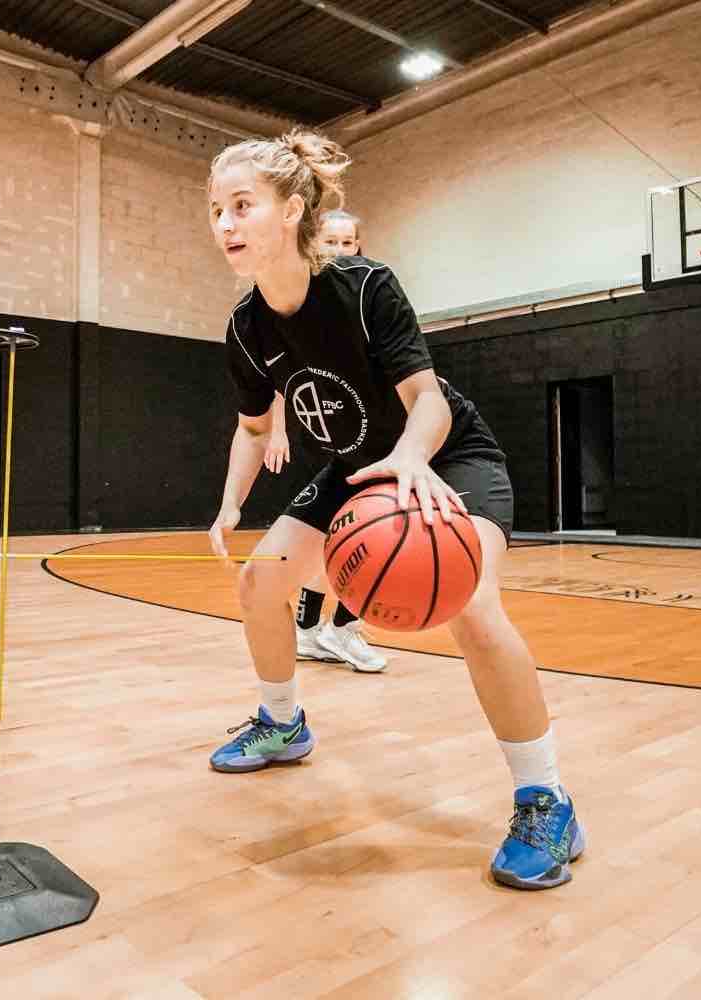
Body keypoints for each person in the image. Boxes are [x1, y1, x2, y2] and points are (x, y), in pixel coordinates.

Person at [204, 131, 585, 890]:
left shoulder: (364, 286)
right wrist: (229, 503)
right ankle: (282, 722)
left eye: (242, 206)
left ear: (291, 210)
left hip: (446, 458)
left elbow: (430, 403)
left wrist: (411, 458)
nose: (224, 224)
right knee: (260, 582)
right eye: (216, 210)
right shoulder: (246, 329)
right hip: (356, 474)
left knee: (473, 612)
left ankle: (546, 799)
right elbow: (253, 429)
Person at [263, 208, 388, 673]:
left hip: (375, 442)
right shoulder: (301, 299)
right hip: (329, 441)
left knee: (372, 537)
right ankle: (316, 628)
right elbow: (277, 376)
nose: (338, 251)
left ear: (359, 247)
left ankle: (339, 627)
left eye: (347, 243)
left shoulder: (370, 297)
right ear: (315, 246)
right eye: (330, 242)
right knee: (326, 541)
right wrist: (277, 431)